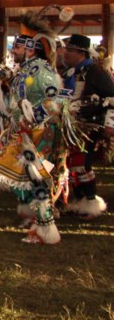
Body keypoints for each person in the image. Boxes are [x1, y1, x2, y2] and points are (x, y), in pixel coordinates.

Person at [0, 9, 70, 244]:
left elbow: (58, 99)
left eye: (16, 47)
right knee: (24, 176)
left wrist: (31, 118)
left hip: (41, 132)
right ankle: (38, 222)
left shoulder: (41, 70)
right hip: (27, 132)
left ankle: (46, 229)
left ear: (29, 49)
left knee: (38, 179)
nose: (12, 51)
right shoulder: (26, 70)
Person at [61, 33, 113, 219]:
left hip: (90, 125)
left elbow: (112, 98)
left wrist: (110, 125)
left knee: (81, 164)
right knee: (72, 164)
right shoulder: (70, 73)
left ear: (81, 53)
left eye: (69, 50)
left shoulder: (97, 73)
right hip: (72, 124)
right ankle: (80, 201)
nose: (65, 54)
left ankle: (91, 202)